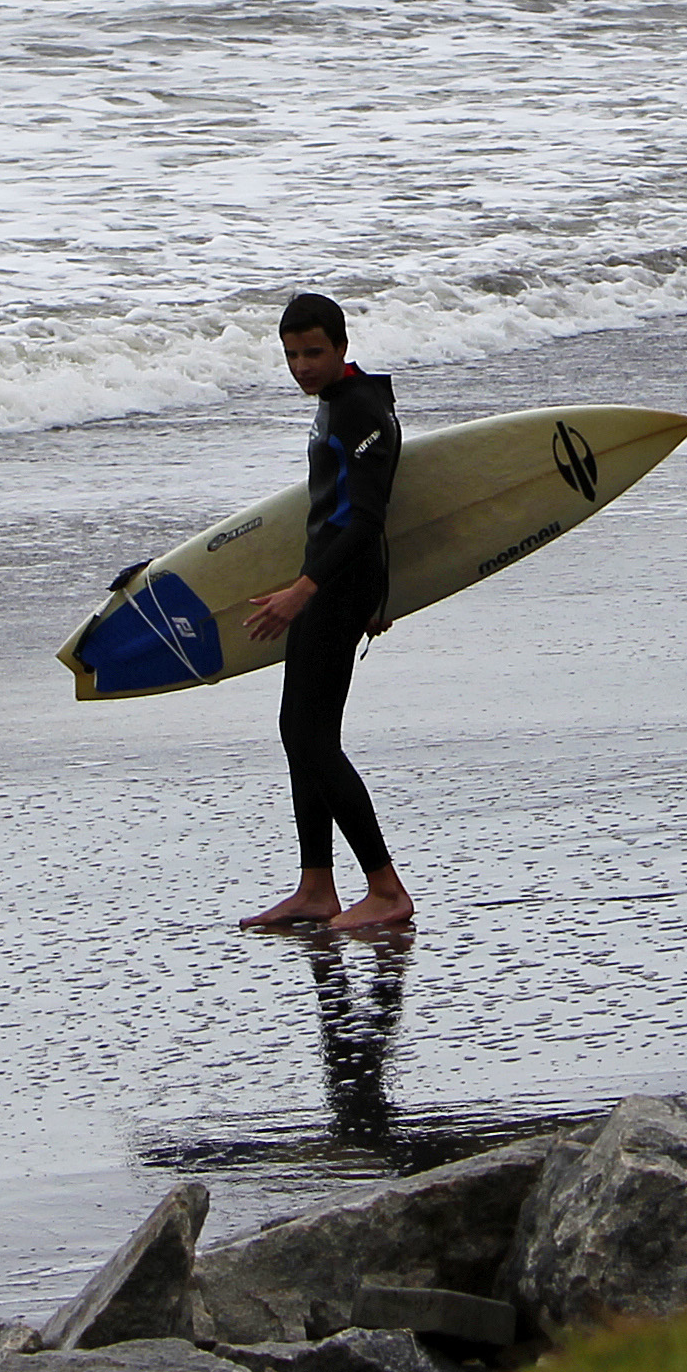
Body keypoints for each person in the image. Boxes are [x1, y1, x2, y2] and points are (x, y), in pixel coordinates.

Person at [236, 292, 410, 937]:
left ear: (341, 346)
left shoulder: (360, 409)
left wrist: (305, 590)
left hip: (332, 588)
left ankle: (385, 888)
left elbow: (366, 518)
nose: (301, 366)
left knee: (309, 738)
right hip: (336, 583)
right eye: (291, 355)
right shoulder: (337, 405)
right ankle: (316, 886)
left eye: (313, 353)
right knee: (301, 736)